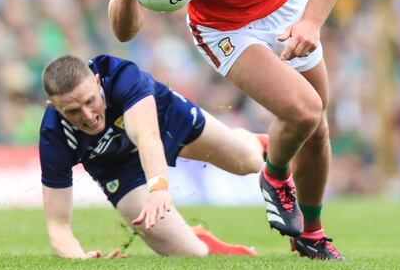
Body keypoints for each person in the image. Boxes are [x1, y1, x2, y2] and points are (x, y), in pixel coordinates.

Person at [108, 0, 352, 260]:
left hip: (285, 7)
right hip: (223, 29)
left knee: (318, 130)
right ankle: (274, 176)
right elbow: (124, 32)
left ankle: (310, 235)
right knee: (306, 110)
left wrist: (310, 22)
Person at [39, 53, 265, 258]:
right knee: (191, 254)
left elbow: (147, 136)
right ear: (54, 107)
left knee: (249, 162)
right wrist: (80, 260)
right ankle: (197, 238)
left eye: (90, 101)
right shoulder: (53, 136)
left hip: (164, 121)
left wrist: (158, 189)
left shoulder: (120, 75)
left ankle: (253, 141)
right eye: (73, 111)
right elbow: (58, 226)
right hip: (117, 167)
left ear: (97, 82)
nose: (88, 116)